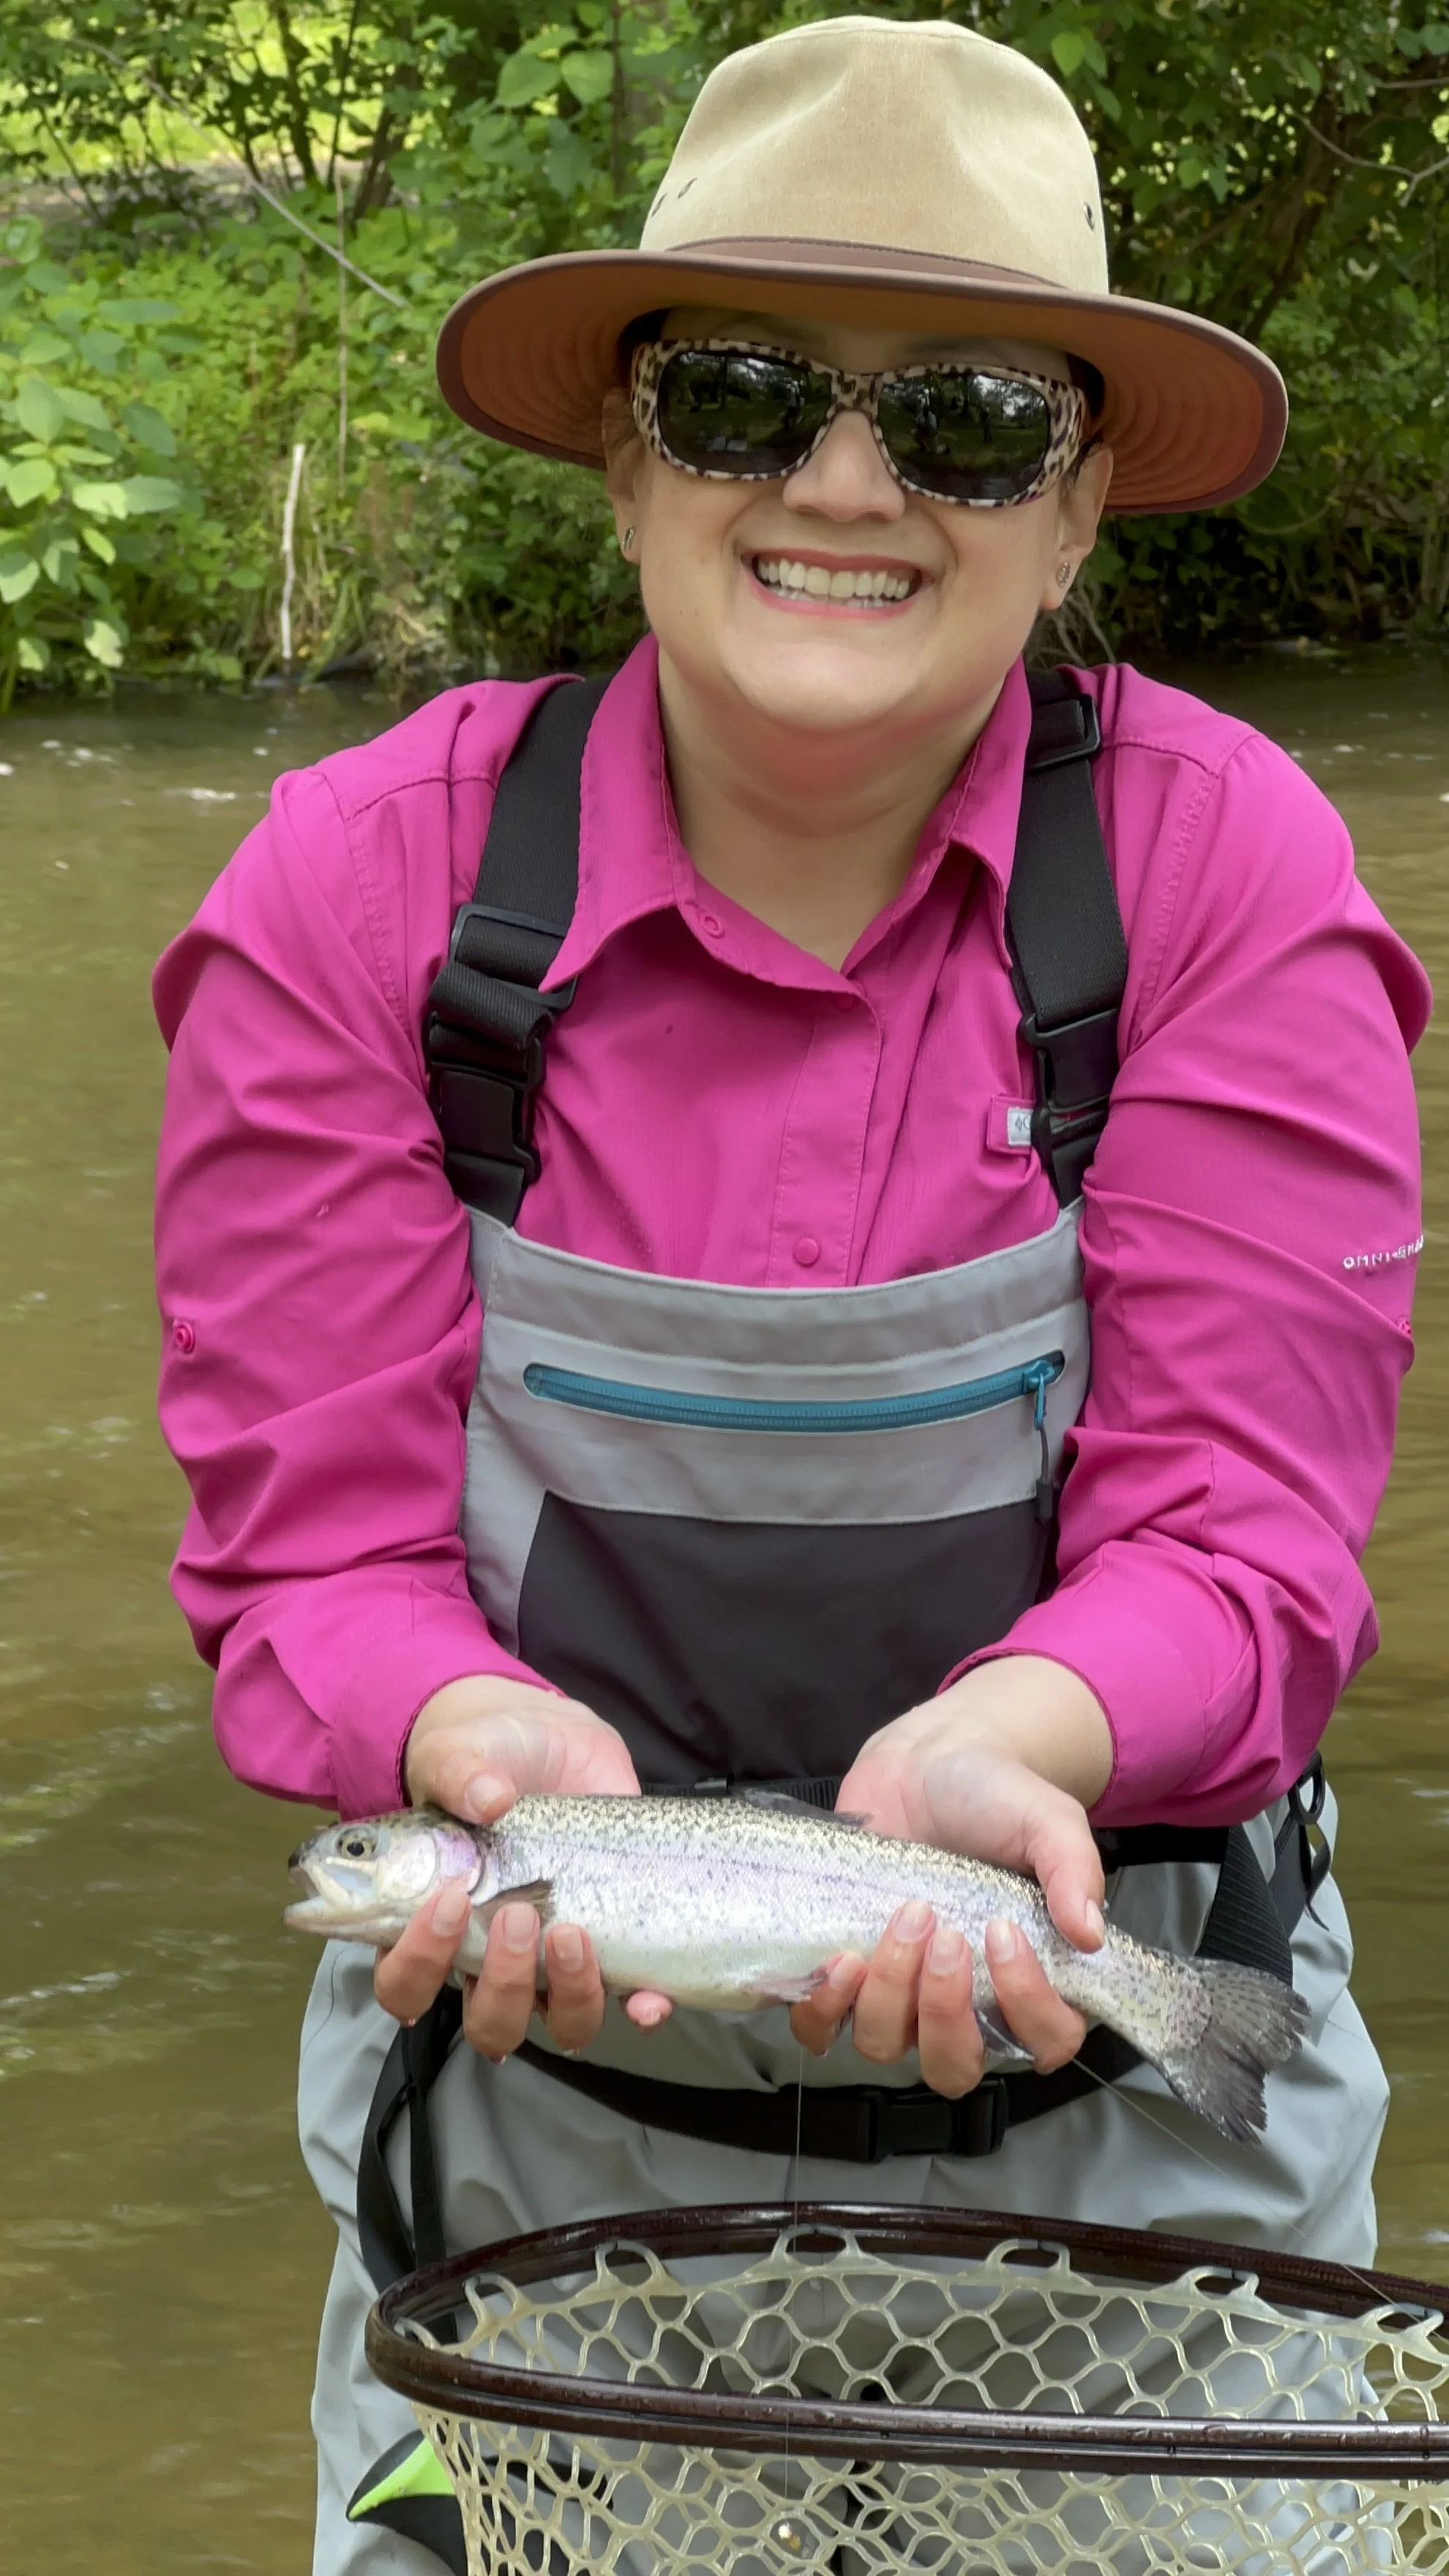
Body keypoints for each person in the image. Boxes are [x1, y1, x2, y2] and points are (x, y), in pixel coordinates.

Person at [153, 17, 1429, 2574]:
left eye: (961, 423)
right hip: (525, 2209)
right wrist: (470, 1733)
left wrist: (1023, 1743)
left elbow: (1246, 1544)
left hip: (1133, 2184)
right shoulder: (349, 896)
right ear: (620, 456)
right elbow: (314, 1570)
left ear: (1075, 520)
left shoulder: (1219, 871)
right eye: (739, 395)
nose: (841, 481)